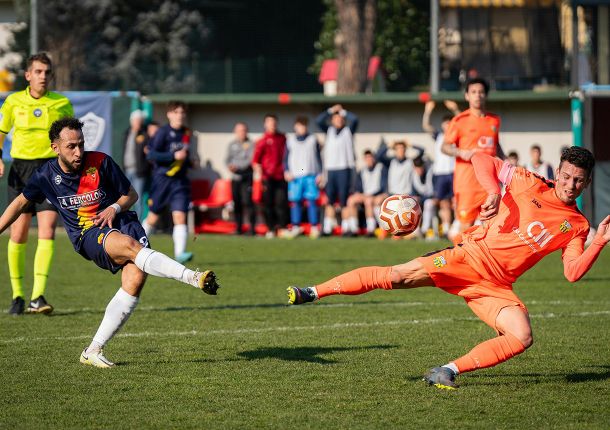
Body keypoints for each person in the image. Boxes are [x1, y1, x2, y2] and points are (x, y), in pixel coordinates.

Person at [288, 146, 609, 389]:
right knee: (397, 276)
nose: (570, 185)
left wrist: (599, 242)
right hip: (466, 258)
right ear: (557, 172)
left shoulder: (578, 225)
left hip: (494, 286)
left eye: (578, 180)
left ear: (587, 183)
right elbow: (482, 159)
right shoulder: (529, 182)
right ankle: (312, 292)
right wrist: (494, 192)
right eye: (566, 176)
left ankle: (446, 370)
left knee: (522, 335)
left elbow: (572, 272)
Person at [0, 118, 220, 368]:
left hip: (123, 220)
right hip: (88, 233)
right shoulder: (45, 176)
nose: (78, 152)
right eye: (71, 146)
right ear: (55, 147)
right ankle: (193, 277)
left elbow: (131, 195)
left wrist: (114, 207)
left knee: (135, 279)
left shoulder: (101, 162)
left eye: (81, 144)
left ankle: (93, 350)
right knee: (129, 246)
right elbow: (19, 203)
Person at [0, 52, 73, 315]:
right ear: (28, 75)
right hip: (20, 171)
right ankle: (17, 296)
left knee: (47, 230)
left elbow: (70, 137)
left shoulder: (62, 103)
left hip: (50, 171)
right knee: (18, 234)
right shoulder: (13, 101)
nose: (43, 76)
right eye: (38, 72)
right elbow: (1, 131)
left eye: (47, 72)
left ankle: (37, 296)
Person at [442, 78, 505, 243]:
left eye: (481, 92)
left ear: (486, 95)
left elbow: (496, 145)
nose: (478, 95)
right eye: (474, 92)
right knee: (466, 227)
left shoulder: (494, 120)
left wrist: (505, 162)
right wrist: (460, 152)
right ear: (467, 96)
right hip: (467, 183)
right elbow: (445, 147)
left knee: (491, 227)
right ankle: (460, 257)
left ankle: (484, 259)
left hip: (489, 183)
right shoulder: (459, 121)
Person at [141, 101, 194, 264]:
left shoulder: (186, 133)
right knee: (153, 217)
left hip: (180, 181)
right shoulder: (162, 132)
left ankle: (180, 254)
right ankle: (137, 246)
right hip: (162, 179)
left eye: (182, 112)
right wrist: (172, 156)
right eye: (176, 112)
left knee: (180, 215)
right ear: (169, 114)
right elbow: (151, 154)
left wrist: (191, 162)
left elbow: (185, 154)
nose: (180, 116)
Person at [316, 104, 358, 236]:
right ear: (332, 120)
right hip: (330, 169)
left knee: (344, 200)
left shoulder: (348, 131)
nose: (338, 120)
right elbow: (319, 120)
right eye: (336, 118)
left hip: (344, 168)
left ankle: (346, 228)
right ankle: (327, 229)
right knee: (330, 200)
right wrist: (331, 111)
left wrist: (342, 111)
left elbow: (355, 119)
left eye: (340, 119)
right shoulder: (329, 130)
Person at [422, 100, 460, 239]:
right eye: (445, 123)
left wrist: (455, 109)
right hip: (440, 174)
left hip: (454, 172)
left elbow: (464, 123)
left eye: (450, 123)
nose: (447, 125)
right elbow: (426, 126)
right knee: (443, 203)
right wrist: (428, 110)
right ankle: (445, 229)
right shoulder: (439, 135)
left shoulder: (457, 136)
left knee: (455, 202)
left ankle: (457, 228)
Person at [283, 116, 323, 239]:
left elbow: (319, 157)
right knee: (295, 202)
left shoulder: (313, 139)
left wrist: (320, 173)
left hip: (310, 175)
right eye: (300, 126)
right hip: (295, 176)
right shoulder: (290, 140)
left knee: (312, 201)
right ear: (295, 127)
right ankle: (296, 227)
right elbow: (285, 158)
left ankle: (314, 227)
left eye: (304, 126)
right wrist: (286, 171)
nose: (302, 128)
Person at [252, 114, 288, 238]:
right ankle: (270, 228)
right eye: (269, 122)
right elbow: (255, 161)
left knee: (281, 203)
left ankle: (282, 228)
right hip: (267, 177)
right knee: (268, 204)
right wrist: (259, 172)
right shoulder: (261, 141)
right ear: (265, 124)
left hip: (281, 176)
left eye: (274, 122)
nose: (272, 125)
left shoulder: (283, 138)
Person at [344, 149, 387, 237]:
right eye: (367, 158)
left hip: (377, 195)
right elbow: (358, 187)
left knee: (368, 201)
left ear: (374, 158)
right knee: (351, 200)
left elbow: (383, 186)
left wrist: (372, 195)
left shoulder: (381, 168)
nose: (369, 160)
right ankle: (353, 229)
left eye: (370, 157)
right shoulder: (362, 171)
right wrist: (358, 193)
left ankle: (371, 229)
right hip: (366, 195)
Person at [225, 122, 256, 235]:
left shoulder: (251, 144)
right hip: (235, 178)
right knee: (237, 203)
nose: (241, 133)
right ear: (235, 132)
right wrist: (230, 166)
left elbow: (250, 160)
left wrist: (238, 168)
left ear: (246, 131)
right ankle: (238, 228)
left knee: (248, 202)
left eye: (243, 130)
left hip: (247, 177)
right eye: (239, 131)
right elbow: (227, 159)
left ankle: (252, 229)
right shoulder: (232, 144)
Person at [122, 109, 150, 220]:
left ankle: (138, 223)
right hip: (127, 170)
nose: (138, 123)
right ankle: (127, 222)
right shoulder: (127, 133)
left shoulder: (145, 134)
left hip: (139, 171)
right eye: (136, 120)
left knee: (138, 199)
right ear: (131, 121)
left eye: (140, 121)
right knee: (125, 198)